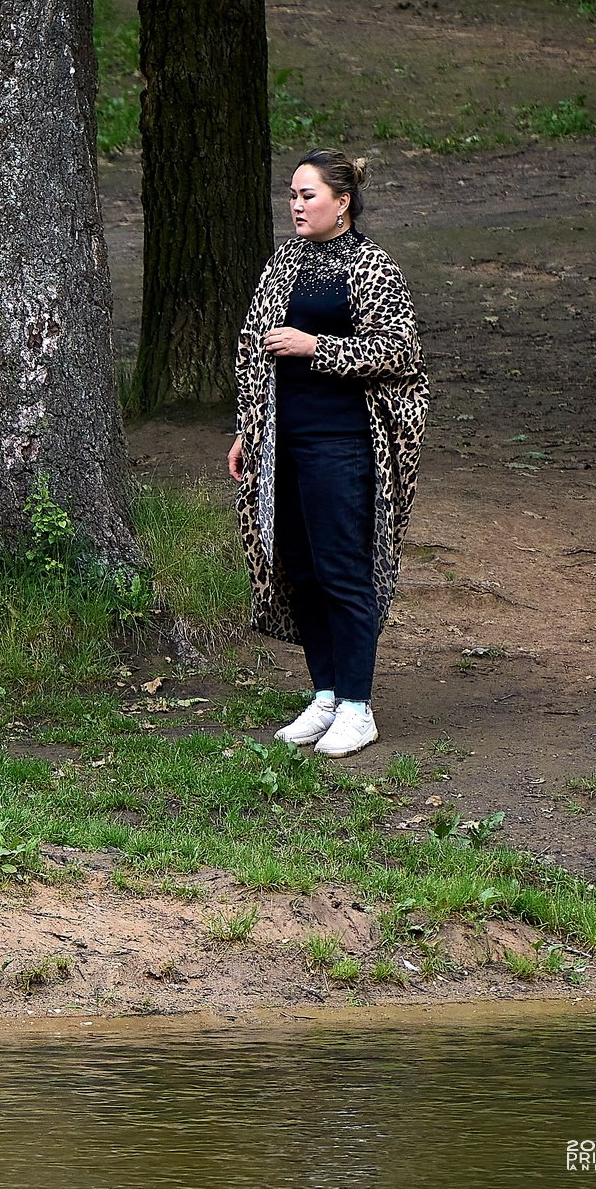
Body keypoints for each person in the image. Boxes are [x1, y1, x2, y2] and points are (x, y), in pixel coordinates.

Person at [225, 150, 427, 758]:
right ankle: (327, 694)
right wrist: (247, 430)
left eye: (307, 195)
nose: (296, 205)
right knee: (301, 568)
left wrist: (315, 346)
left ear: (342, 203)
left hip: (343, 443)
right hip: (281, 441)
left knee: (342, 570)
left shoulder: (371, 265)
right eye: (292, 195)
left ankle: (359, 707)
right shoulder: (284, 262)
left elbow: (398, 350)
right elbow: (252, 350)